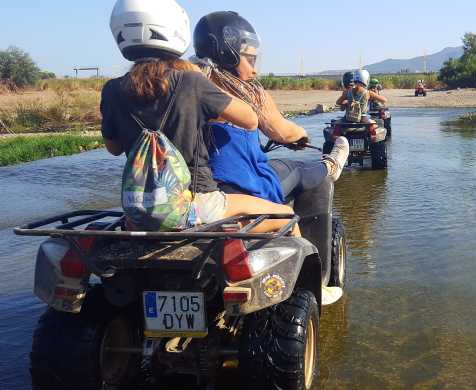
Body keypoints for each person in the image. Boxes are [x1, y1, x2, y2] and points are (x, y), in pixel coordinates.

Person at [101, 0, 297, 234]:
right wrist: (205, 97)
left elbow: (113, 148)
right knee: (286, 215)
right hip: (196, 202)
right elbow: (250, 120)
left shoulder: (112, 89)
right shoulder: (190, 82)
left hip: (139, 210)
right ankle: (317, 271)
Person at [191, 11, 350, 203]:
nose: (254, 69)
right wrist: (301, 135)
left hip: (194, 192)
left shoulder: (185, 85)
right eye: (249, 59)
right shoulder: (247, 93)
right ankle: (331, 166)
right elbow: (281, 132)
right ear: (228, 54)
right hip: (243, 187)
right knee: (297, 169)